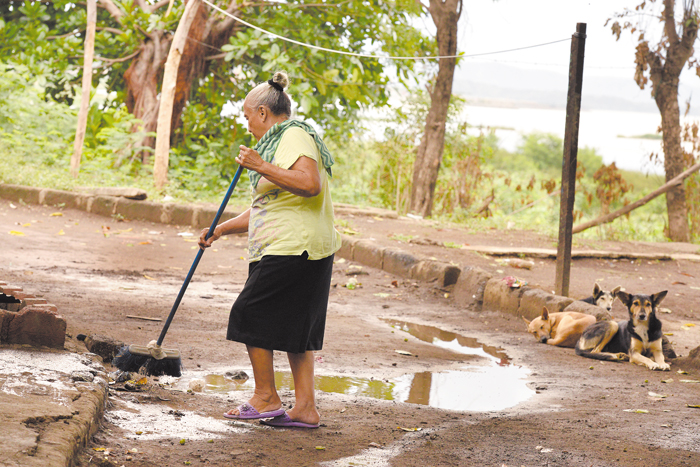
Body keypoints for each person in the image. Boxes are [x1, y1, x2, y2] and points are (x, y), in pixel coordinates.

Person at [198, 71, 341, 429]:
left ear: (262, 112)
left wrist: (261, 165)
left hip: (294, 247)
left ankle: (265, 396)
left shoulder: (293, 135)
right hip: (298, 246)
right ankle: (305, 408)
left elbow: (309, 184)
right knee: (296, 331)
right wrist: (221, 229)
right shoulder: (279, 144)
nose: (247, 125)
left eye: (247, 116)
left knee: (248, 313)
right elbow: (269, 205)